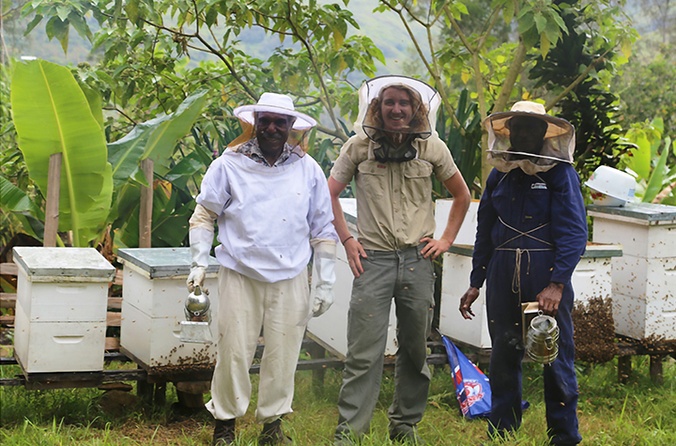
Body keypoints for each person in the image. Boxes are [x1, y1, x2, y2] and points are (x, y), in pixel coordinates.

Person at [186, 92, 338, 445]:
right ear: (254, 124)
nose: (271, 128)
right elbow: (204, 214)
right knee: (234, 351)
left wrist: (326, 281)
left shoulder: (308, 169)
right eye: (265, 121)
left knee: (284, 354)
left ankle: (272, 426)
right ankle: (225, 425)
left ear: (290, 127)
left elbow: (323, 228)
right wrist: (198, 261)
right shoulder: (228, 165)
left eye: (279, 122)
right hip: (240, 272)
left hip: (292, 275)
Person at [329, 75, 471, 445]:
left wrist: (446, 239)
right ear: (376, 107)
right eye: (389, 102)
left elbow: (461, 195)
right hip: (372, 260)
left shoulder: (431, 147)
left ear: (415, 110)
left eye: (403, 104)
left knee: (414, 349)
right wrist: (347, 239)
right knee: (363, 352)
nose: (396, 109)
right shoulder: (358, 147)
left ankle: (404, 426)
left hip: (416, 261)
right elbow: (326, 195)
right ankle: (350, 433)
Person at [458, 100, 587, 445]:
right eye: (518, 127)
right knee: (503, 351)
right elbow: (484, 230)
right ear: (508, 132)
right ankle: (502, 429)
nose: (524, 133)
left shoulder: (560, 173)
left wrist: (557, 283)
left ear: (544, 133)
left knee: (554, 353)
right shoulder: (499, 174)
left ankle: (563, 435)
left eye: (532, 127)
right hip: (502, 272)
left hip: (544, 271)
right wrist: (475, 282)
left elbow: (574, 232)